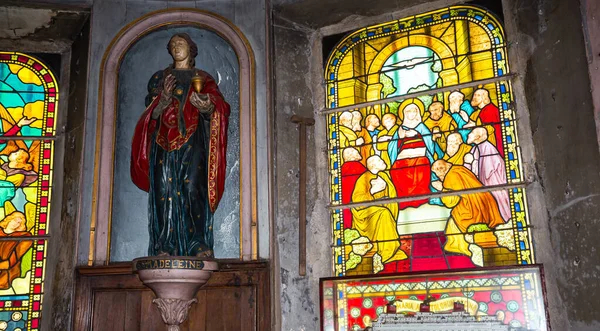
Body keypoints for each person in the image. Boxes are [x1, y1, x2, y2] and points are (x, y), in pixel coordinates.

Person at [131, 33, 230, 257]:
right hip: (162, 144)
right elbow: (151, 113)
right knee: (163, 192)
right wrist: (163, 98)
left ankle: (196, 243)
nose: (177, 47)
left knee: (193, 189)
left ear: (191, 49)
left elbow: (219, 107)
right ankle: (165, 245)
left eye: (181, 43)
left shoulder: (203, 78)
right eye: (173, 44)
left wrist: (205, 106)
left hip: (193, 143)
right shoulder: (159, 78)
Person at [431, 160, 505, 265]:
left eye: (440, 169)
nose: (439, 173)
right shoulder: (459, 169)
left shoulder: (450, 177)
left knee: (454, 219)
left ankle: (464, 248)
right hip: (484, 203)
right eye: (436, 171)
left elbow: (451, 202)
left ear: (447, 166)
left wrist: (441, 188)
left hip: (473, 209)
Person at [351, 155, 407, 266]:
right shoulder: (363, 179)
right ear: (373, 165)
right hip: (365, 213)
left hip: (379, 207)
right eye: (380, 161)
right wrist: (372, 191)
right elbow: (357, 201)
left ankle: (391, 249)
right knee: (384, 213)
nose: (383, 161)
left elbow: (391, 194)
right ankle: (386, 251)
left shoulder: (383, 175)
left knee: (385, 211)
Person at [388, 103, 436, 208]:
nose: (411, 114)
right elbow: (391, 146)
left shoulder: (422, 127)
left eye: (414, 111)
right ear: (404, 113)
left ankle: (419, 198)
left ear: (418, 113)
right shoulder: (400, 129)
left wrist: (417, 134)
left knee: (422, 165)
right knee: (395, 168)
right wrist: (400, 137)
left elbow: (430, 143)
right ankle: (404, 199)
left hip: (420, 156)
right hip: (403, 158)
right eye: (409, 111)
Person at [465, 127, 511, 222]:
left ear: (477, 137)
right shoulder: (475, 148)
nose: (468, 134)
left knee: (499, 207)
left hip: (493, 185)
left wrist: (472, 162)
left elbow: (487, 172)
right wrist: (468, 163)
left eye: (472, 133)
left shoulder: (488, 148)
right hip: (485, 187)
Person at [0, 211, 32, 290]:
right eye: (15, 220)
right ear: (9, 219)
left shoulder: (24, 237)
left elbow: (11, 262)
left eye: (19, 223)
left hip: (8, 274)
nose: (16, 223)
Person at [471, 88, 504, 157]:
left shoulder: (489, 110)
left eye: (478, 95)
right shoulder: (482, 111)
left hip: (493, 145)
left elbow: (490, 131)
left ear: (484, 98)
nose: (474, 97)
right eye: (474, 95)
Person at [341, 148, 367, 228]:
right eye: (355, 151)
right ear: (350, 155)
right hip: (356, 202)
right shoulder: (357, 167)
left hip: (344, 203)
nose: (358, 152)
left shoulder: (342, 168)